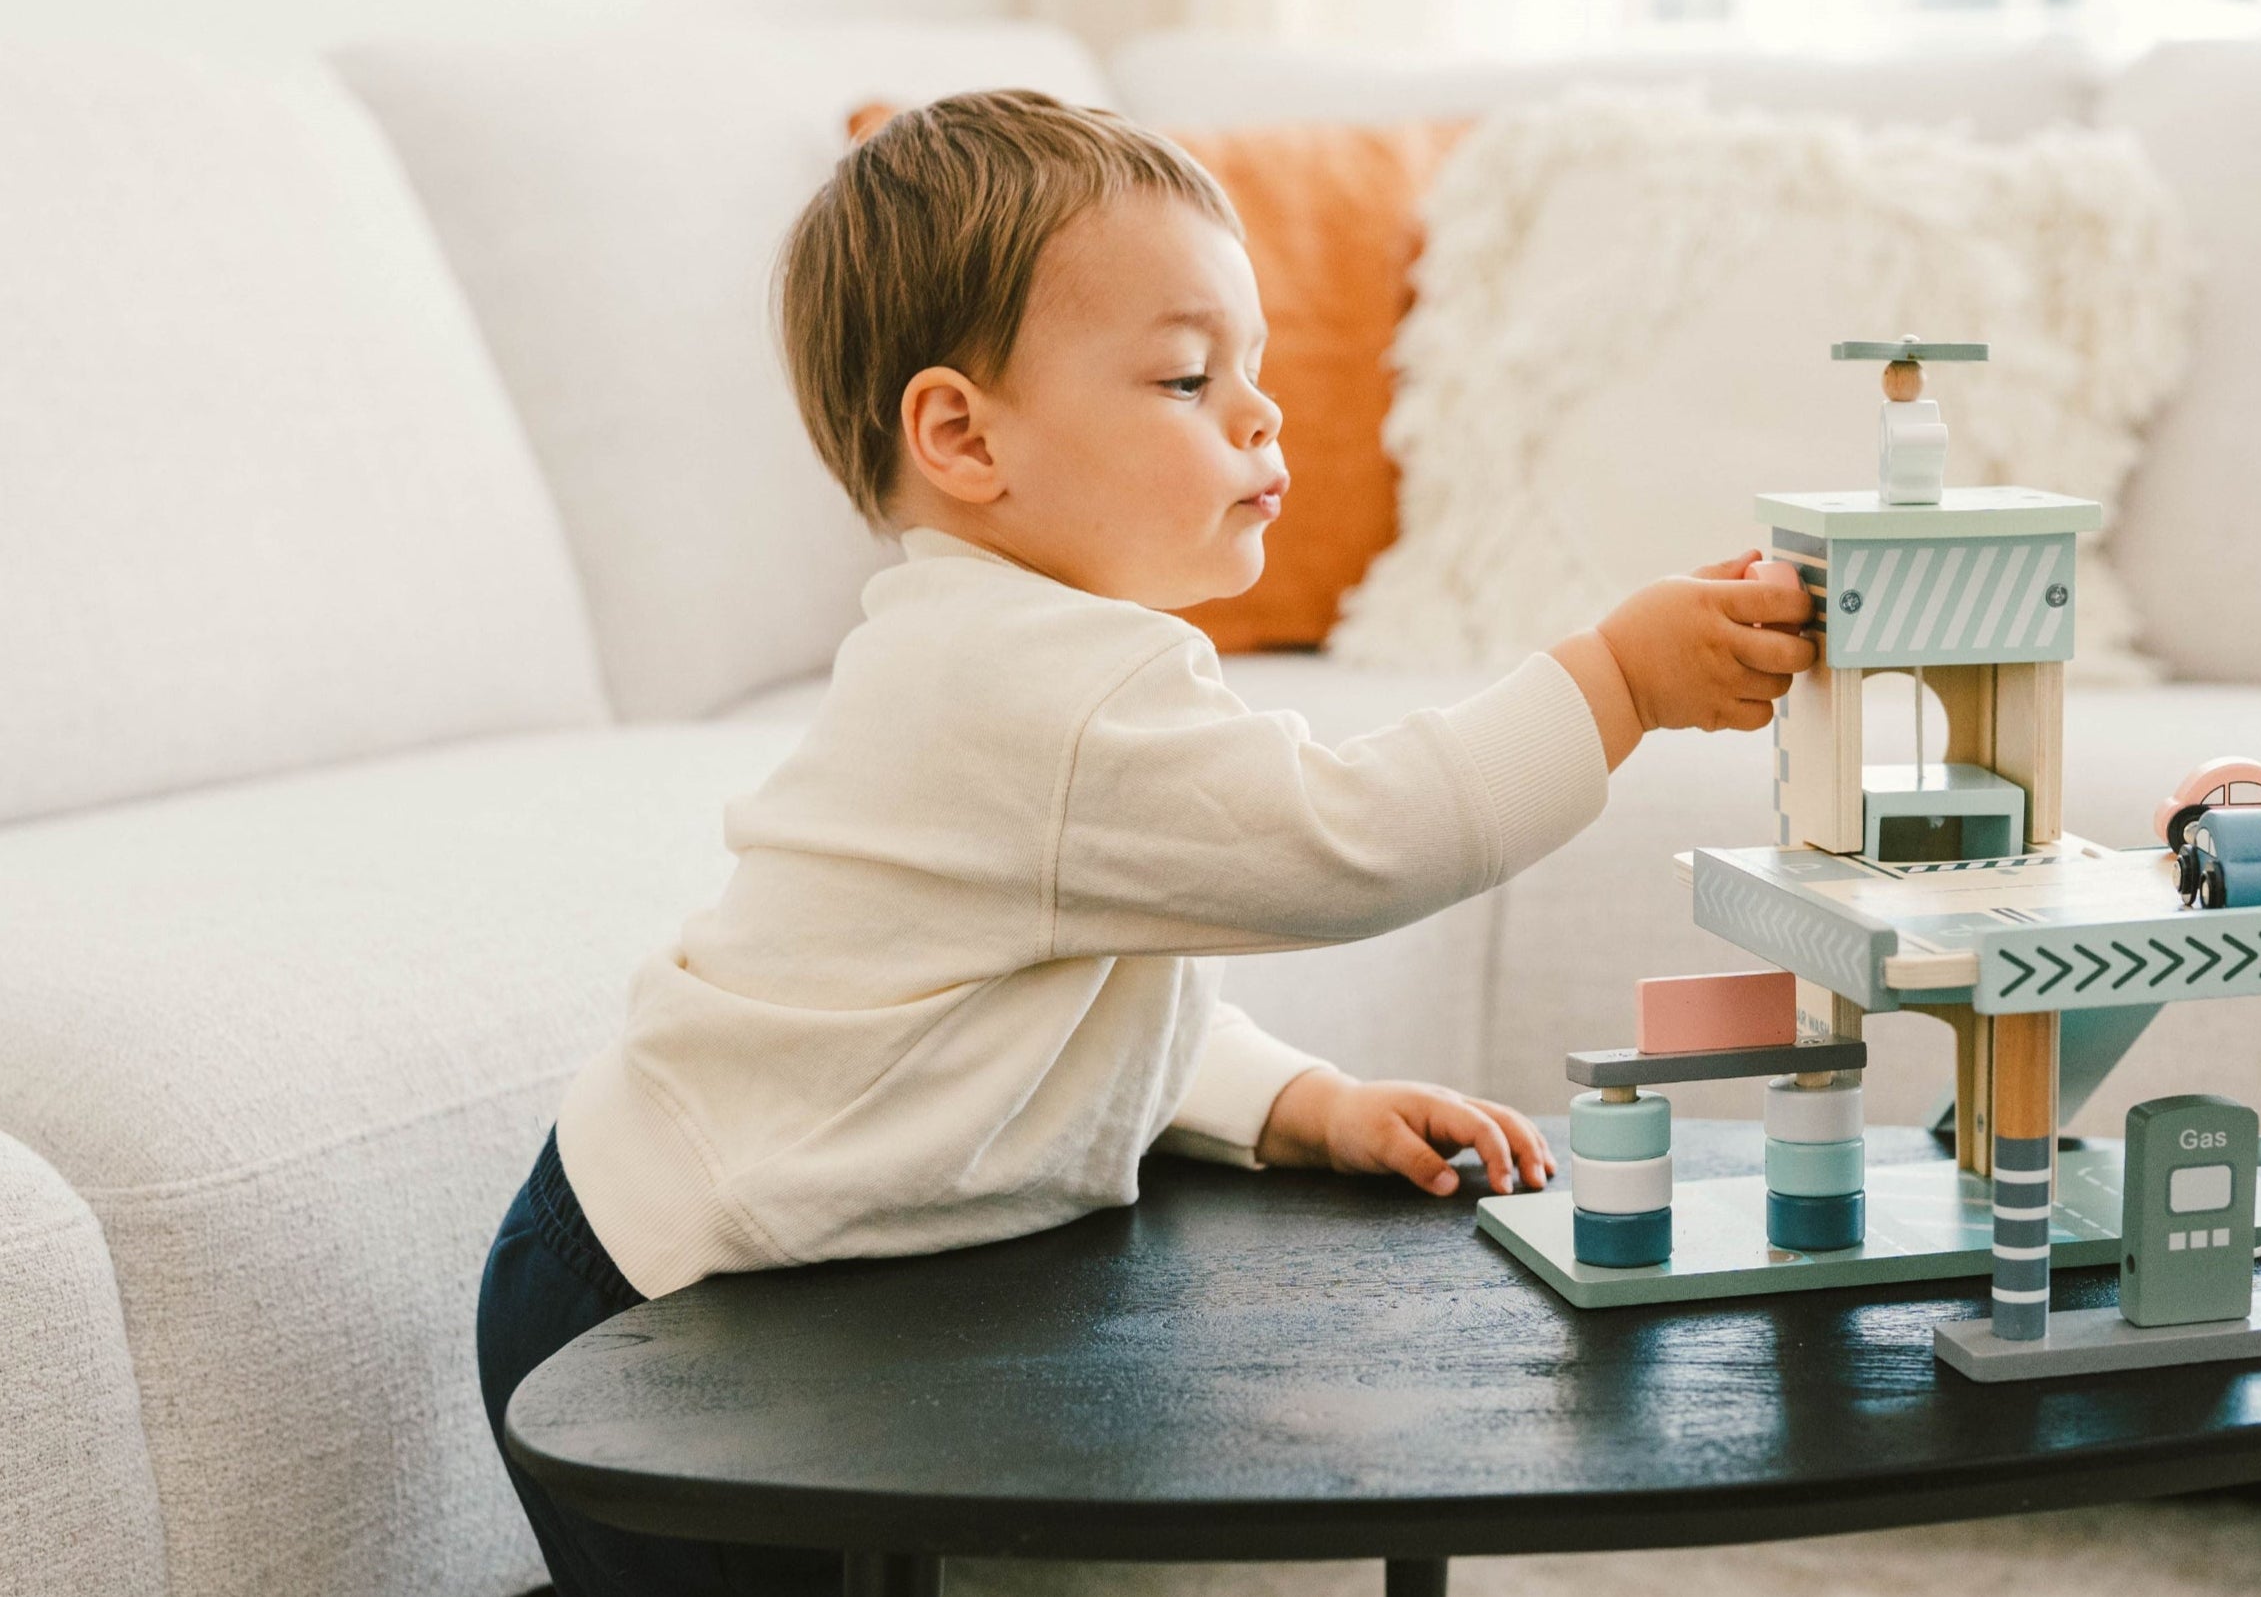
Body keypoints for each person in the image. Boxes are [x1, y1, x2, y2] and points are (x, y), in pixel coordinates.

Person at [475, 87, 1815, 1597]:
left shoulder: (1038, 659)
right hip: (659, 1308)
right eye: (1186, 377)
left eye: (1250, 365)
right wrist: (1620, 680)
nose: (1259, 411)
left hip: (703, 1272)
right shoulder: (1033, 680)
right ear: (963, 435)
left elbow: (1072, 1003)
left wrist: (1301, 1102)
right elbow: (1354, 841)